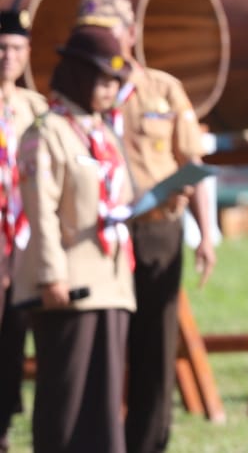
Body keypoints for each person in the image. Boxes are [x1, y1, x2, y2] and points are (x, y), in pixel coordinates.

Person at [76, 0, 215, 453]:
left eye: (110, 28)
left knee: (155, 343)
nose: (100, 37)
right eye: (90, 28)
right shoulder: (79, 93)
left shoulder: (162, 88)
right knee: (100, 343)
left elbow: (193, 161)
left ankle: (148, 442)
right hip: (96, 237)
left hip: (157, 229)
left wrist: (206, 235)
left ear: (131, 34)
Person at [14, 25, 137, 453]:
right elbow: (40, 212)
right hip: (69, 284)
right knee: (64, 400)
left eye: (115, 83)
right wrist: (52, 275)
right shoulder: (46, 132)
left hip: (112, 281)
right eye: (102, 81)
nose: (109, 91)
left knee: (104, 402)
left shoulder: (102, 132)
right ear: (78, 76)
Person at [0, 11, 47, 452]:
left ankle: (7, 417)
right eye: (1, 47)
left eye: (16, 48)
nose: (7, 57)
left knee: (17, 328)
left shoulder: (35, 108)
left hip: (25, 236)